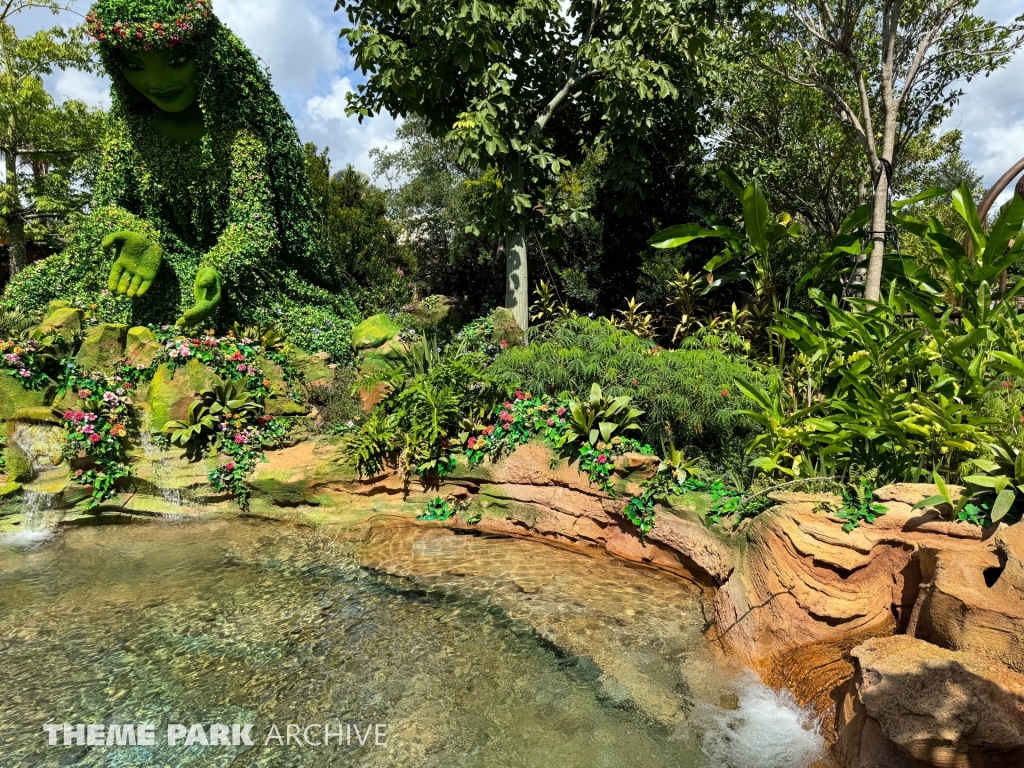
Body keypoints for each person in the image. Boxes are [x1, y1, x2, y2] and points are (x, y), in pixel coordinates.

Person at [4, 0, 355, 357]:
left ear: (206, 53)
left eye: (176, 61)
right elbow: (107, 205)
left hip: (216, 278)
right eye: (134, 65)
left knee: (247, 314)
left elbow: (256, 225)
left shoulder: (237, 138)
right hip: (146, 272)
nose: (157, 82)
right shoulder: (128, 133)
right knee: (28, 292)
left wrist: (218, 268)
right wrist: (138, 237)